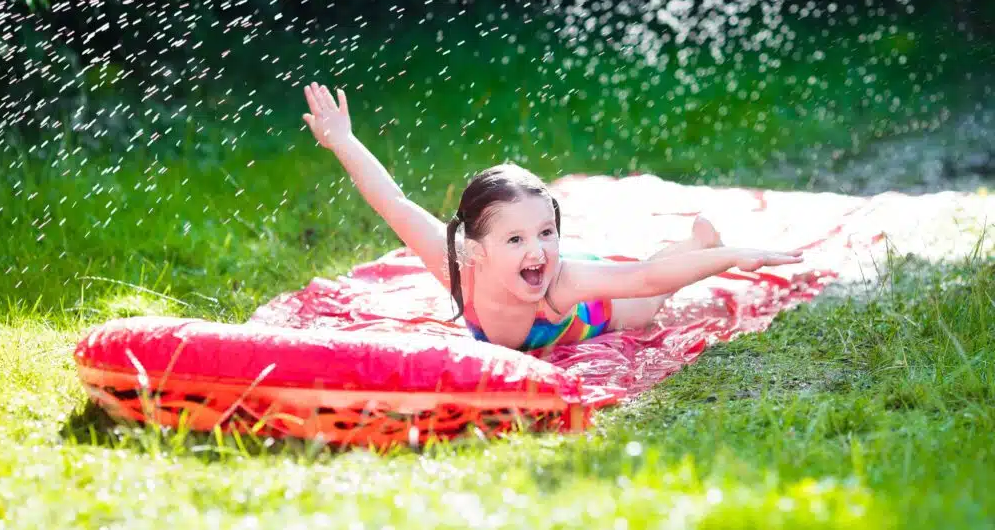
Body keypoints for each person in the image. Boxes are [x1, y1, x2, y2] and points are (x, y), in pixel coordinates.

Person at [302, 82, 803, 353]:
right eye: (516, 238)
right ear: (476, 249)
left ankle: (700, 245)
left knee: (649, 299)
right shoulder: (454, 263)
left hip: (586, 307)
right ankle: (698, 243)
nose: (537, 246)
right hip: (546, 274)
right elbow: (393, 202)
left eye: (546, 231)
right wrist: (343, 140)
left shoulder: (560, 281)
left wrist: (728, 258)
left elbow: (647, 276)